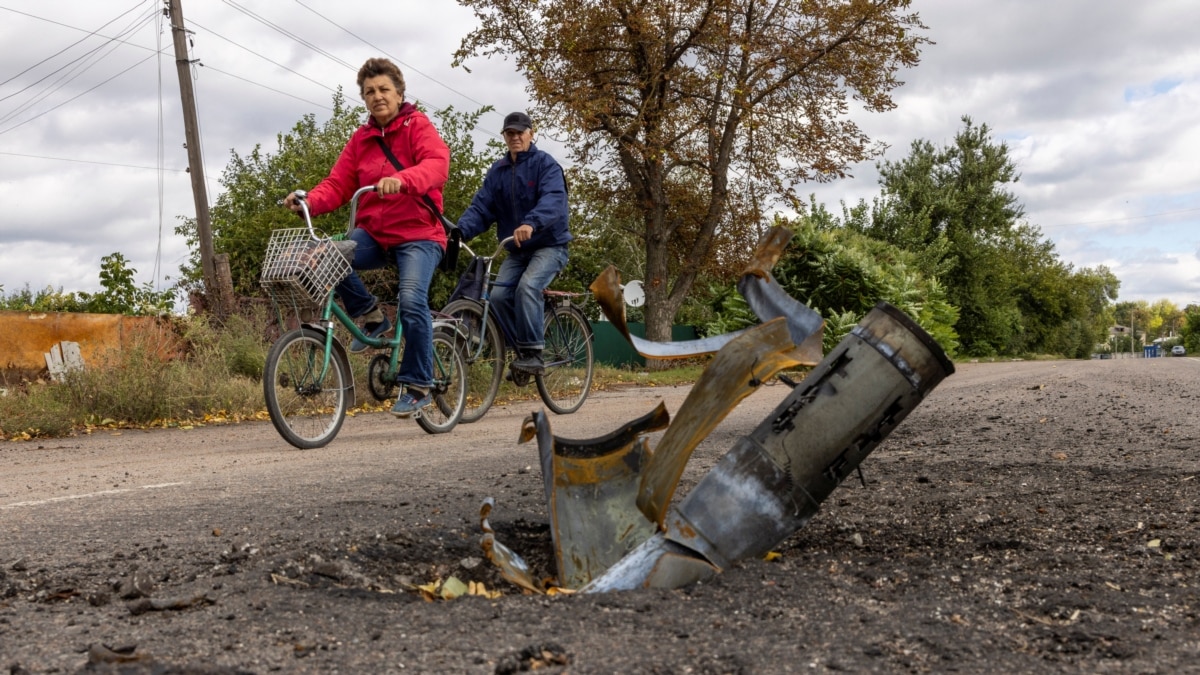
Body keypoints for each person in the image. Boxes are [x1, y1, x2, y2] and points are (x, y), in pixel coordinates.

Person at [284, 57, 449, 418]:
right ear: (364, 98)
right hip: (375, 232)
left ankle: (419, 384)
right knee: (330, 254)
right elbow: (338, 183)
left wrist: (403, 180)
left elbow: (437, 164)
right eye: (370, 92)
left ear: (399, 92)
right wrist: (309, 199)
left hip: (419, 234)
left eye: (384, 89)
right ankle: (371, 315)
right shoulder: (361, 139)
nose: (377, 97)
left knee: (411, 299)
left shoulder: (416, 126)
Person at [455, 111, 571, 375]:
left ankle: (533, 353)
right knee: (496, 295)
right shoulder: (498, 171)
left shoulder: (546, 165)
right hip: (517, 250)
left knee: (527, 287)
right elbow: (481, 207)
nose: (515, 137)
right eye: (510, 133)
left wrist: (531, 223)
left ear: (531, 133)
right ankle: (520, 350)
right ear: (505, 137)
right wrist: (460, 232)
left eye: (520, 132)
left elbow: (554, 200)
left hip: (550, 246)